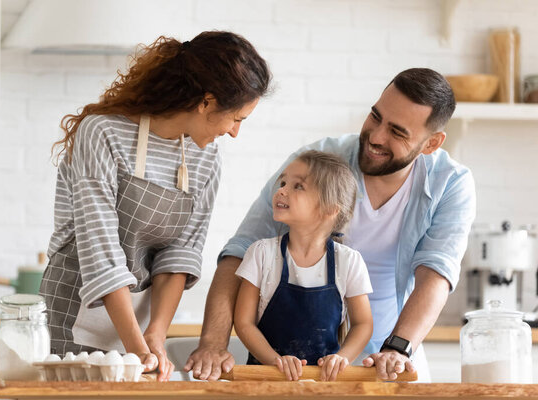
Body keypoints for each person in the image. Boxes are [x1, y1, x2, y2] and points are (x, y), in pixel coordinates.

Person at [185, 68, 476, 382]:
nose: (376, 137)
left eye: (397, 132)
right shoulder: (318, 163)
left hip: (391, 361)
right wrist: (213, 344)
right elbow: (240, 251)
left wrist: (398, 348)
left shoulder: (451, 183)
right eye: (375, 117)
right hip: (303, 368)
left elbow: (435, 275)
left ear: (431, 143)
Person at [40, 31, 271, 381]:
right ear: (206, 102)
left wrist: (155, 334)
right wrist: (136, 345)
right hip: (74, 314)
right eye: (236, 118)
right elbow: (100, 250)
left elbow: (181, 253)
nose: (235, 132)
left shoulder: (206, 158)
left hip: (141, 325)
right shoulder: (102, 133)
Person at [233, 151, 373, 381]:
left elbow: (363, 323)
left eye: (298, 186)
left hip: (323, 386)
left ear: (330, 209)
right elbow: (244, 323)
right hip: (264, 381)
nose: (282, 190)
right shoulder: (260, 253)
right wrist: (275, 362)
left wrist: (342, 358)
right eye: (284, 182)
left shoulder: (348, 261)